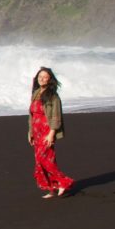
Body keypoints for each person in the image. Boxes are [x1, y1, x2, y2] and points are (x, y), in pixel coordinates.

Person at [27, 66, 74, 198]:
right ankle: (51, 188)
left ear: (50, 79)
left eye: (45, 77)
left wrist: (51, 133)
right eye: (40, 77)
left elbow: (55, 116)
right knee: (39, 161)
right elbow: (31, 115)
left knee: (45, 159)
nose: (42, 79)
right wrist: (30, 132)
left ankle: (64, 182)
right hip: (36, 131)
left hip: (47, 131)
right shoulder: (35, 93)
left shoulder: (53, 96)